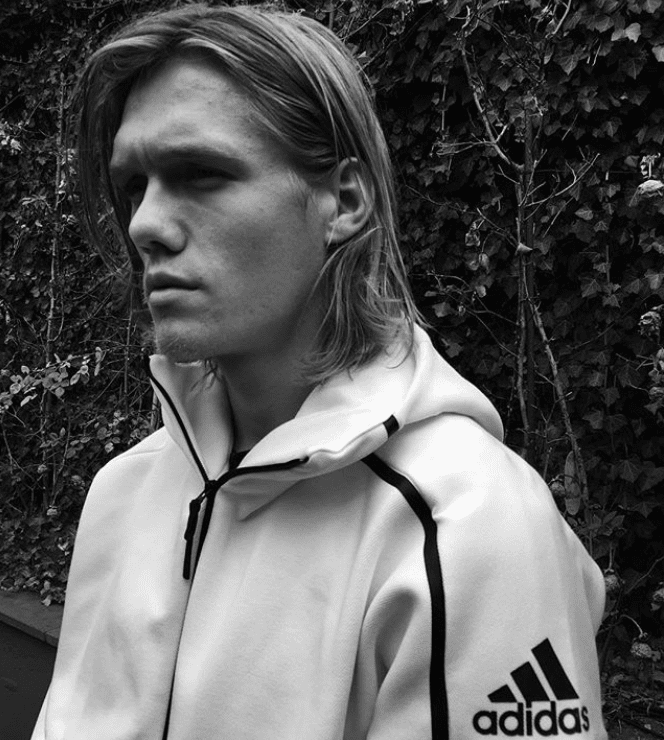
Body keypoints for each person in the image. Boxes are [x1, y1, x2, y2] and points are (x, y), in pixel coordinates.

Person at [33, 4, 608, 739]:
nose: (144, 223)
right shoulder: (123, 494)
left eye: (200, 174)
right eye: (133, 186)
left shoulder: (469, 526)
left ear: (344, 201)